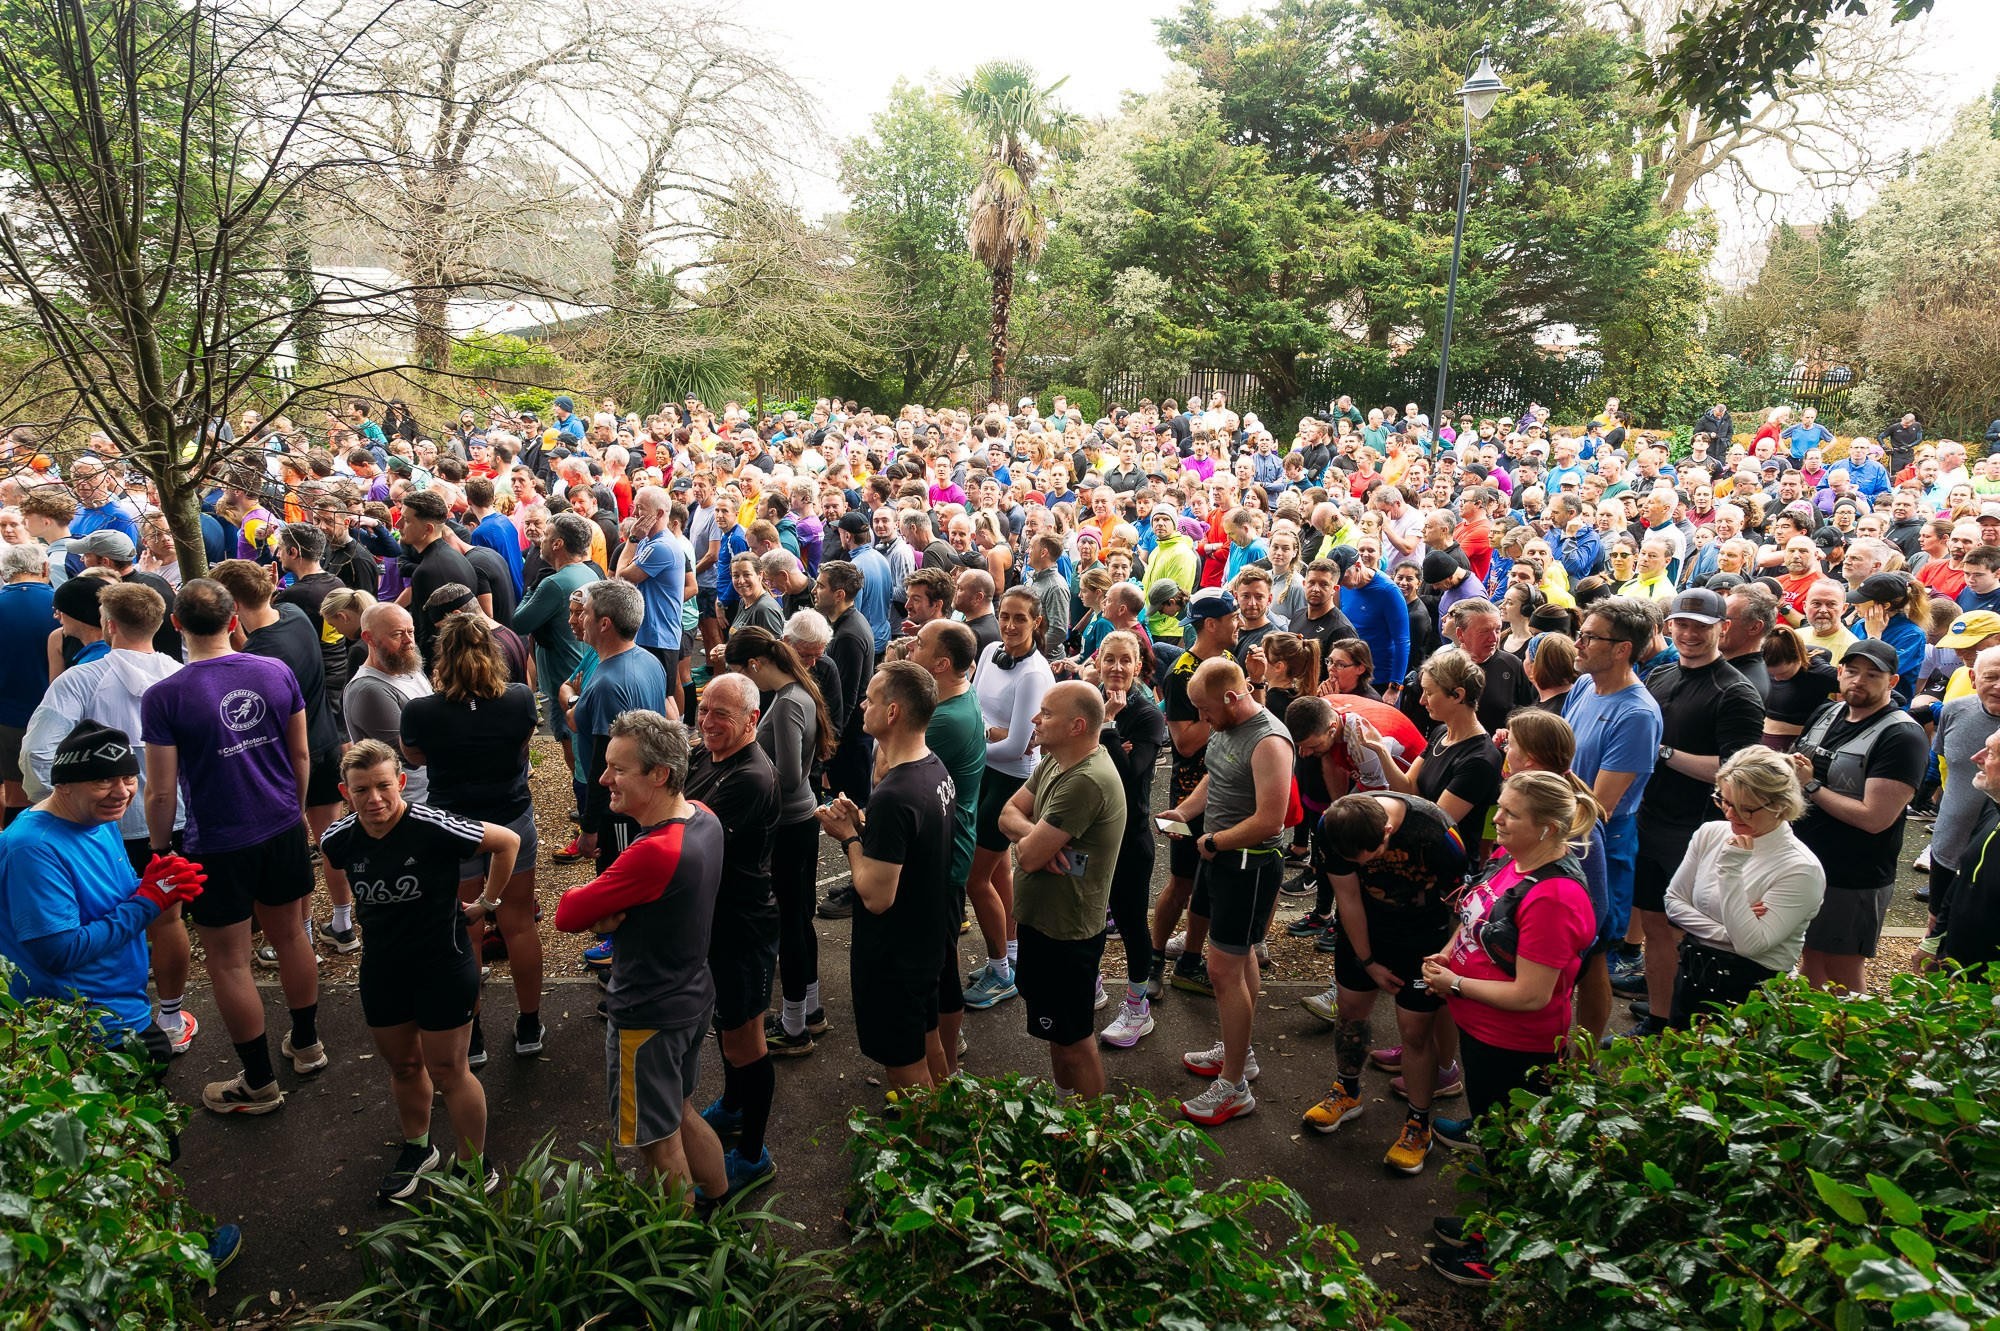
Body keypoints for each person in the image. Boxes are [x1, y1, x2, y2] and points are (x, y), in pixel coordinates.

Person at [140, 578, 322, 1114]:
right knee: (291, 936)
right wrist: (296, 815)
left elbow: (161, 789)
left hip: (216, 839)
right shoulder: (273, 671)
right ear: (233, 618)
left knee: (228, 961)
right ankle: (308, 1045)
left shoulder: (166, 696)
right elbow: (302, 757)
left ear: (177, 625)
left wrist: (159, 849)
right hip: (282, 824)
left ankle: (259, 1081)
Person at [1420, 772, 1600, 1288]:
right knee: (1496, 1137)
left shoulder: (1556, 895)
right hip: (1482, 1033)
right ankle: (1494, 1227)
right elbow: (1474, 915)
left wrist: (1454, 984)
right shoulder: (1511, 861)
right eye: (1499, 807)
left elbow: (1532, 994)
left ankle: (1500, 1256)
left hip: (1516, 1046)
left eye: (1510, 814)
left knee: (1512, 1151)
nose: (1495, 819)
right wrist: (1450, 954)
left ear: (1547, 829)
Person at [321, 741, 519, 1201]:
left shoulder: (431, 824)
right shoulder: (337, 839)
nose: (374, 799)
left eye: (384, 786)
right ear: (344, 791)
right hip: (383, 969)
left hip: (442, 966)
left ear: (402, 783)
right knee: (405, 1065)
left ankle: (473, 1164)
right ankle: (418, 1149)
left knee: (449, 1071)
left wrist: (487, 904)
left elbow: (507, 843)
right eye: (361, 790)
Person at [552, 712, 728, 1197]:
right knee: (682, 1111)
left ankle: (681, 1262)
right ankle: (718, 1215)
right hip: (692, 996)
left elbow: (567, 913)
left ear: (659, 774)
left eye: (617, 769)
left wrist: (608, 913)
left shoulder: (654, 851)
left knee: (659, 1143)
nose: (604, 778)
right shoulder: (703, 817)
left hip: (646, 1013)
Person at [20, 584, 194, 1050]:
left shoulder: (80, 679)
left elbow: (38, 752)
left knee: (103, 917)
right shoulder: (182, 675)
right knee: (166, 917)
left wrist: (59, 809)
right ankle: (171, 1017)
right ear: (161, 625)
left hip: (98, 827)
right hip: (171, 819)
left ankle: (115, 1021)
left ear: (108, 625)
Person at [399, 613, 545, 1061]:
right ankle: (529, 1025)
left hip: (452, 826)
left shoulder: (421, 711)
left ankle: (473, 1031)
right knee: (518, 922)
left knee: (467, 929)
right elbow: (522, 746)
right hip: (512, 820)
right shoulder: (519, 700)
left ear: (443, 657)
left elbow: (415, 758)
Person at [1156, 657, 1293, 1128]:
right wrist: (1185, 812)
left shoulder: (1269, 741)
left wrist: (1215, 840)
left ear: (1232, 698)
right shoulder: (1227, 725)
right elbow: (1216, 774)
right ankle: (1242, 1054)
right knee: (1240, 960)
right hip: (1221, 858)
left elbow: (1271, 821)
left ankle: (1234, 1086)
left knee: (1222, 970)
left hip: (1248, 865)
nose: (1203, 720)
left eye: (1206, 711)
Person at [1299, 788, 1468, 1169]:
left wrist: (1447, 960)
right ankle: (1347, 1090)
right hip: (1366, 931)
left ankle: (1418, 1124)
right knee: (1350, 1011)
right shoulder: (1332, 825)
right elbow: (1349, 897)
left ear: (1389, 831)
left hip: (1424, 939)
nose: (1366, 865)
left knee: (1414, 1032)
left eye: (1371, 857)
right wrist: (1368, 961)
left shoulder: (1438, 834)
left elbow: (1462, 906)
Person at [1626, 588, 1766, 1038]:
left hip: (1698, 827)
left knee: (1696, 931)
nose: (1689, 634)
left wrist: (1663, 751)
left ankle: (1695, 1028)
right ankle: (1663, 1018)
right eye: (1682, 624)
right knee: (1653, 920)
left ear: (1722, 629)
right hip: (1650, 816)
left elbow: (1735, 770)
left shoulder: (1736, 691)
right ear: (1669, 626)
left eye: (1701, 627)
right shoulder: (1662, 676)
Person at [812, 662, 955, 1091]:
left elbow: (875, 895)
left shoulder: (895, 793)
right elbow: (909, 850)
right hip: (925, 943)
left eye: (871, 699)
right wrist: (864, 827)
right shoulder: (932, 769)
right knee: (928, 1043)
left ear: (892, 712)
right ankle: (957, 1134)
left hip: (896, 956)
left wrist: (848, 837)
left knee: (905, 1071)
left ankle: (926, 1154)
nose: (861, 704)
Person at [209, 558, 354, 957]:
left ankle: (302, 934)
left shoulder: (258, 655)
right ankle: (343, 923)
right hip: (325, 740)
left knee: (295, 846)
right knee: (331, 839)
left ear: (231, 608)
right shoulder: (292, 614)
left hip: (288, 758)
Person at [996, 681, 1125, 1098]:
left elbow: (1031, 858)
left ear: (1077, 725)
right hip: (1042, 923)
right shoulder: (1055, 759)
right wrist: (1035, 837)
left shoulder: (1086, 780)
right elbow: (1007, 813)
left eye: (1047, 713)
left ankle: (1092, 1141)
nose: (1035, 719)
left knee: (1075, 1042)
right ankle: (1064, 1110)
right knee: (1057, 1033)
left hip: (1066, 932)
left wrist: (1032, 845)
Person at [682, 673, 783, 1195]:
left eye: (721, 714)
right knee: (727, 1027)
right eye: (704, 710)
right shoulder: (706, 758)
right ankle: (734, 1103)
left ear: (751, 720)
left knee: (747, 1041)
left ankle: (752, 1154)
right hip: (715, 924)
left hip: (743, 929)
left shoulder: (752, 777)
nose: (707, 722)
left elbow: (687, 838)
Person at [723, 629, 836, 1057]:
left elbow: (788, 776)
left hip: (789, 823)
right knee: (800, 919)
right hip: (800, 819)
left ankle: (793, 1029)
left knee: (788, 924)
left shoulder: (788, 701)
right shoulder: (794, 692)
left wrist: (744, 760)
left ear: (753, 665)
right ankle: (809, 1010)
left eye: (737, 671)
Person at [1790, 638, 1925, 993]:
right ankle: (1810, 1039)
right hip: (1807, 862)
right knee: (1809, 957)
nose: (1859, 681)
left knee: (1842, 971)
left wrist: (1811, 786)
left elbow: (1875, 818)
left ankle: (1853, 1042)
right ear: (1839, 673)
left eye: (1872, 674)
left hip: (1854, 875)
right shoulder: (1826, 713)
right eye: (1852, 671)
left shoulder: (1902, 736)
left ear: (1892, 682)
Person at [1663, 748, 1824, 1027]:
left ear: (1782, 808)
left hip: (1751, 996)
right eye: (1723, 801)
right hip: (1692, 977)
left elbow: (1751, 944)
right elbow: (1673, 902)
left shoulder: (1801, 868)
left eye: (1746, 808)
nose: (1730, 815)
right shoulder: (1710, 833)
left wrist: (1731, 870)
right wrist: (1730, 930)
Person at [1561, 598, 1663, 1040]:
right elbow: (1562, 759)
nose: (1577, 643)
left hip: (1596, 841)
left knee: (1591, 958)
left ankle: (1581, 1059)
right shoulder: (1585, 686)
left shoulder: (1636, 714)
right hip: (1561, 828)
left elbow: (1599, 805)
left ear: (1622, 649)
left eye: (1589, 637)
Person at [961, 587, 1056, 1009]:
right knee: (998, 872)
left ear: (1036, 621)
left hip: (1008, 781)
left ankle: (1000, 972)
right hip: (985, 771)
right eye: (1005, 616)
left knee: (973, 879)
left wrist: (973, 745)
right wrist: (986, 735)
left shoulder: (1034, 673)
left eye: (1020, 618)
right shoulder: (990, 651)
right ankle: (1012, 956)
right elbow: (975, 711)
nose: (1010, 625)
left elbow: (1019, 747)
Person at [903, 618, 986, 1078]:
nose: (910, 645)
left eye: (920, 643)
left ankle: (946, 1070)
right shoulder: (954, 698)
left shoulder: (944, 721)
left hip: (941, 858)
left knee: (938, 972)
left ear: (940, 664)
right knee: (941, 959)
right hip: (946, 848)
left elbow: (887, 767)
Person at [1093, 630, 1169, 1049]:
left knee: (1130, 920)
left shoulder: (1146, 714)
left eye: (1126, 660)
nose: (1118, 669)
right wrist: (1109, 741)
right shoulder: (1091, 696)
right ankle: (1095, 983)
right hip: (1091, 832)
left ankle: (1138, 1008)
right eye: (1110, 660)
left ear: (1139, 665)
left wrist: (1104, 728)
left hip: (1129, 836)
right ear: (1099, 662)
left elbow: (1128, 775)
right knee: (1090, 914)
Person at [567, 579, 669, 873]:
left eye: (585, 612)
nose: (579, 619)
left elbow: (605, 762)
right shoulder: (650, 661)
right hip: (645, 799)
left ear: (604, 623)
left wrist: (590, 827)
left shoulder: (607, 684)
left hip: (622, 810)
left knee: (623, 884)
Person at [1365, 647, 1502, 863]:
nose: (1421, 701)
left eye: (1429, 693)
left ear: (1457, 695)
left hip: (1445, 866)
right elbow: (1408, 788)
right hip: (1420, 854)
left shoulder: (1479, 759)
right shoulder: (1441, 733)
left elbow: (1435, 825)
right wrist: (1381, 751)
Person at [616, 488, 691, 719]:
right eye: (635, 507)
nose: (635, 513)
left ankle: (675, 745)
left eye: (640, 509)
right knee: (655, 695)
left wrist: (633, 538)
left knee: (663, 696)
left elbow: (620, 576)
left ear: (659, 513)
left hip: (658, 635)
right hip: (652, 632)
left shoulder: (661, 546)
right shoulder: (654, 541)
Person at [397, 489, 477, 660]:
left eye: (406, 520)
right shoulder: (453, 556)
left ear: (428, 528)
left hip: (447, 664)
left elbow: (427, 635)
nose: (398, 524)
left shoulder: (427, 571)